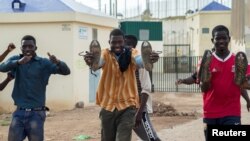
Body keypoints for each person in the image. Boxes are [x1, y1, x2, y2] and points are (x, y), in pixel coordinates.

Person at [83, 29, 159, 141]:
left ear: (124, 41)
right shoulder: (105, 53)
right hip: (108, 107)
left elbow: (138, 60)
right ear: (109, 42)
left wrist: (146, 61)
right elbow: (100, 62)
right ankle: (92, 62)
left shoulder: (132, 53)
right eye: (114, 42)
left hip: (127, 107)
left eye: (120, 42)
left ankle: (147, 60)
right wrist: (92, 62)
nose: (117, 45)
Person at [0, 35, 70, 141]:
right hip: (19, 112)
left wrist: (58, 62)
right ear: (21, 48)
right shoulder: (16, 60)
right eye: (25, 46)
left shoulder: (44, 63)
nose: (27, 49)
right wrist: (18, 62)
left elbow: (66, 71)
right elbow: (2, 67)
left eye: (30, 46)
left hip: (36, 113)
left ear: (35, 48)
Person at [186, 25, 250, 141]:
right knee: (204, 84)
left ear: (229, 39)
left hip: (232, 112)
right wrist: (188, 81)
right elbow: (197, 81)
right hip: (211, 112)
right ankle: (206, 78)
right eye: (217, 39)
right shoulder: (206, 60)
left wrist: (248, 99)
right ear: (212, 40)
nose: (221, 41)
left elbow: (240, 85)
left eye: (224, 38)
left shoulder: (237, 60)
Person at [125, 35, 161, 141]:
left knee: (151, 138)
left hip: (138, 109)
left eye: (128, 45)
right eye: (124, 44)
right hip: (123, 109)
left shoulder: (140, 63)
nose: (125, 47)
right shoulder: (121, 62)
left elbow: (146, 89)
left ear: (134, 47)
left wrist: (140, 113)